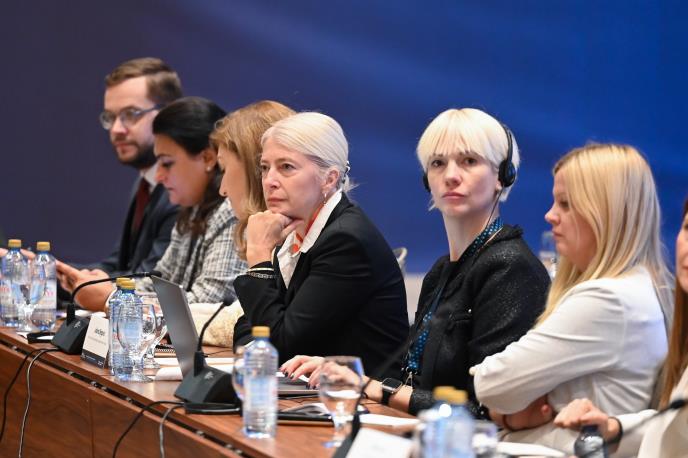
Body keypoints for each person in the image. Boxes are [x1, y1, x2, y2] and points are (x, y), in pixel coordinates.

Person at [282, 108, 550, 416]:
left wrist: (372, 386)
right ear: (426, 179)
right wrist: (342, 372)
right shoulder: (441, 272)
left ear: (503, 176)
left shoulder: (510, 268)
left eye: (469, 161)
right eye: (438, 163)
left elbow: (486, 408)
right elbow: (415, 380)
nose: (451, 175)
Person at [471, 144, 673, 451]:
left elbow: (490, 384)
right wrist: (513, 411)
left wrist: (509, 411)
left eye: (566, 204)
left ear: (606, 213)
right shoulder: (636, 288)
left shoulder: (608, 299)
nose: (550, 215)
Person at [232, 112, 409, 377]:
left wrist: (258, 255)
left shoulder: (346, 241)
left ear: (329, 178)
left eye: (286, 167)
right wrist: (258, 344)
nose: (269, 181)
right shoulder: (293, 229)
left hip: (359, 396)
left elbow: (277, 345)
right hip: (310, 388)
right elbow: (250, 327)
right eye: (265, 167)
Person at [59, 97, 245, 318]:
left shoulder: (230, 211)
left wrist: (111, 299)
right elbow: (158, 282)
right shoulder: (191, 211)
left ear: (208, 158)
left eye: (166, 163)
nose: (158, 176)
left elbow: (209, 304)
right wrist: (103, 287)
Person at [553, 198, 688, 457]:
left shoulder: (614, 298)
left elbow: (492, 387)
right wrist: (612, 427)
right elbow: (674, 425)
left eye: (567, 203)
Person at [57, 58, 181, 295]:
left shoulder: (181, 191)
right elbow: (116, 267)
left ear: (169, 115)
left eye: (131, 114)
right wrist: (44, 271)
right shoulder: (144, 183)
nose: (116, 129)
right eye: (110, 117)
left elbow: (151, 280)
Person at [187, 100, 296, 346]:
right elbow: (244, 322)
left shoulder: (307, 241)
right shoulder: (277, 235)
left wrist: (159, 318)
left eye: (224, 169)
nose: (222, 189)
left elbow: (267, 336)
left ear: (253, 170)